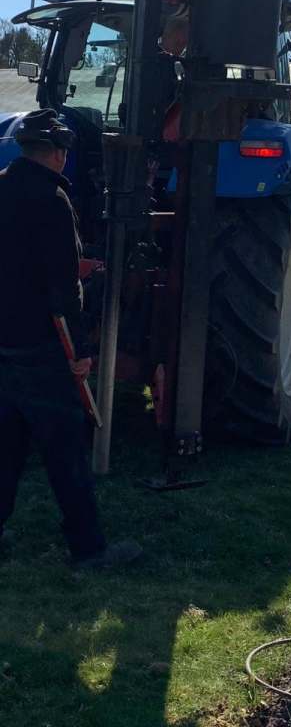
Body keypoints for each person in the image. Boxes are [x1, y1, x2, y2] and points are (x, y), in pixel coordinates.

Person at [0, 108, 141, 569]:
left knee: (5, 447)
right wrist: (80, 351)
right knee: (65, 452)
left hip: (4, 344)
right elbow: (64, 287)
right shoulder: (53, 200)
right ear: (60, 153)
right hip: (43, 348)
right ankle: (89, 548)